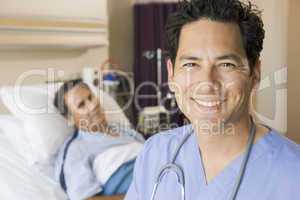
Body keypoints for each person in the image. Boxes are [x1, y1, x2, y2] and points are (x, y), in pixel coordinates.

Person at [125, 0, 300, 199]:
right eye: (191, 64)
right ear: (171, 74)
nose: (207, 83)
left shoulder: (293, 174)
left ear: (255, 73)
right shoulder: (154, 154)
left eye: (226, 64)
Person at [53, 79, 144, 200]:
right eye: (81, 104)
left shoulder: (125, 131)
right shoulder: (76, 151)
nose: (93, 105)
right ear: (69, 118)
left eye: (91, 97)